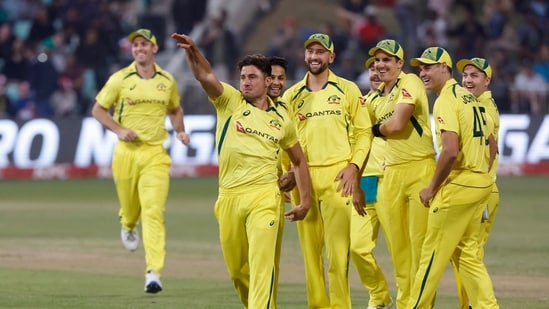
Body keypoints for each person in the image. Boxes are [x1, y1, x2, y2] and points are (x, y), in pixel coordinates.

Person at [170, 32, 312, 309]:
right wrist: (193, 51)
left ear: (268, 81)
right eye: (243, 77)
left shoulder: (282, 119)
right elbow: (205, 76)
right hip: (229, 197)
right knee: (238, 272)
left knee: (263, 267)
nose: (245, 83)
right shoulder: (230, 102)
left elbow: (299, 160)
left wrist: (305, 200)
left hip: (264, 197)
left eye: (252, 77)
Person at [91, 28, 190, 294]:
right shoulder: (120, 79)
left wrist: (180, 130)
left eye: (144, 45)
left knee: (154, 212)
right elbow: (98, 110)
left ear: (154, 49)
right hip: (126, 153)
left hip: (156, 154)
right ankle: (127, 223)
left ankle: (153, 272)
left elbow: (175, 108)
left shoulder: (166, 80)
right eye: (136, 45)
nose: (139, 49)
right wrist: (119, 130)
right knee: (132, 210)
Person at [281, 33, 372, 308]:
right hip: (303, 179)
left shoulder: (348, 90)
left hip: (337, 177)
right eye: (310, 52)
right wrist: (285, 172)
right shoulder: (291, 96)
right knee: (310, 254)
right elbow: (283, 140)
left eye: (320, 52)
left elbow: (364, 133)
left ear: (331, 57)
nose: (314, 57)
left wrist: (354, 167)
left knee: (338, 252)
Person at [408, 47, 499, 308]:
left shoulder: (447, 99)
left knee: (431, 256)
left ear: (445, 68)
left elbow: (449, 151)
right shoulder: (470, 97)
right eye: (420, 68)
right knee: (468, 256)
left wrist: (432, 188)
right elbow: (492, 146)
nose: (422, 72)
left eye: (428, 67)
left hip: (460, 183)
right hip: (481, 182)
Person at [367, 39, 436, 309]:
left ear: (399, 63)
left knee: (419, 245)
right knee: (398, 248)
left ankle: (420, 304)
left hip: (420, 169)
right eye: (377, 60)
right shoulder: (375, 98)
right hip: (391, 174)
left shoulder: (410, 82)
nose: (381, 65)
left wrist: (375, 129)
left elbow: (396, 124)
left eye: (387, 60)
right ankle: (406, 303)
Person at [454, 57, 500, 309]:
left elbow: (492, 149)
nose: (468, 80)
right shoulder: (477, 102)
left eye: (474, 76)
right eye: (465, 75)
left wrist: (481, 183)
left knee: (469, 253)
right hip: (481, 187)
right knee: (465, 253)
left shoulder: (484, 108)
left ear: (487, 80)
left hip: (481, 188)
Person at [352, 56, 393, 309]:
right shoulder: (359, 105)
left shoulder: (402, 101)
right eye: (372, 70)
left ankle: (414, 301)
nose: (376, 74)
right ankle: (379, 296)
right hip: (366, 181)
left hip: (394, 179)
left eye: (381, 69)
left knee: (404, 250)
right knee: (357, 247)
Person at [267, 55, 295, 309]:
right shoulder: (243, 105)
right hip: (239, 191)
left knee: (269, 259)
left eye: (281, 78)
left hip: (273, 193)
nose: (277, 83)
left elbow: (294, 147)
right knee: (240, 264)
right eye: (272, 77)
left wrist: (290, 173)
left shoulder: (287, 109)